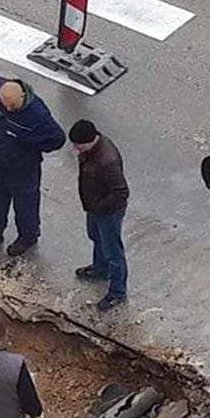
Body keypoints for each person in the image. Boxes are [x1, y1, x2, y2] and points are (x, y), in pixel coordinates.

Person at [0, 78, 65, 257]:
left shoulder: (37, 114)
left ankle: (28, 236)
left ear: (23, 95)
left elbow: (57, 138)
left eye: (13, 106)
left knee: (25, 206)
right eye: (5, 104)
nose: (8, 109)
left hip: (23, 169)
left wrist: (29, 144)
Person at [68, 120, 130, 312]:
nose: (75, 149)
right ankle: (100, 269)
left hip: (107, 212)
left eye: (78, 145)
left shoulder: (107, 161)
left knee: (113, 251)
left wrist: (100, 207)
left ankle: (117, 292)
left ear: (88, 141)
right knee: (95, 237)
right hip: (95, 207)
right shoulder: (91, 151)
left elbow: (121, 192)